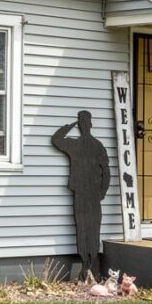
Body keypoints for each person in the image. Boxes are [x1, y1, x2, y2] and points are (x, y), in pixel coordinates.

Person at [51, 110, 111, 281]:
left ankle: (94, 265)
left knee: (93, 229)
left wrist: (102, 192)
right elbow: (56, 140)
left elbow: (106, 171)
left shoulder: (97, 146)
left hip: (94, 194)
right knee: (82, 228)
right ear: (80, 125)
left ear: (90, 124)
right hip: (80, 193)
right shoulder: (74, 145)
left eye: (85, 122)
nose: (84, 125)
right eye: (81, 123)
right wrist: (70, 126)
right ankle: (85, 266)